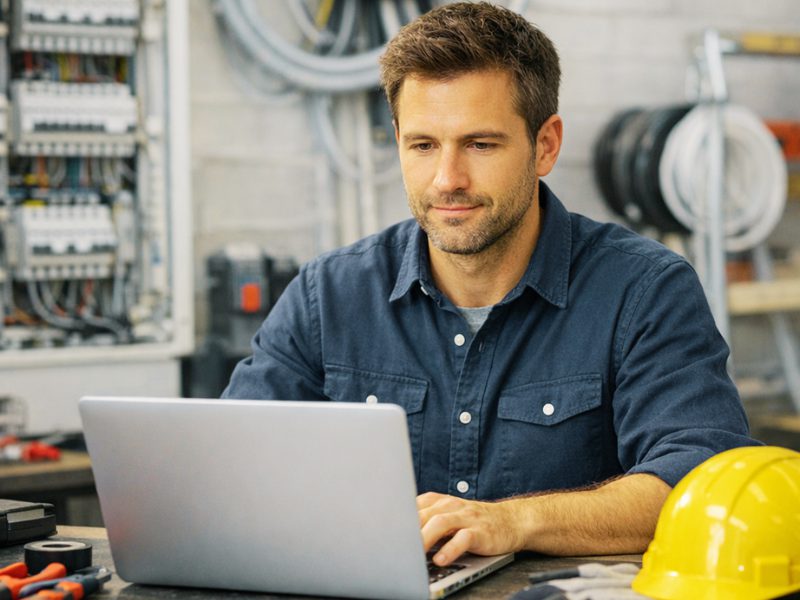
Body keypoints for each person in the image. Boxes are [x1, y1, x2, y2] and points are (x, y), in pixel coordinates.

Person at [223, 1, 755, 568]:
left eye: (480, 144)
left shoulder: (644, 291)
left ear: (545, 145)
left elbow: (701, 480)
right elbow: (234, 466)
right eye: (423, 146)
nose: (447, 180)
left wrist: (513, 521)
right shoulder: (328, 296)